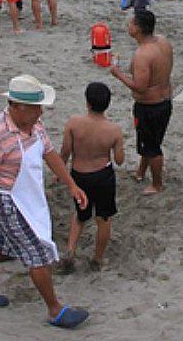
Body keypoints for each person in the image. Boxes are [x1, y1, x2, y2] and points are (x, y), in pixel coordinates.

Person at [0, 75, 91, 329]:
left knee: (0, 243)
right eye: (36, 107)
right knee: (37, 251)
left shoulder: (35, 125)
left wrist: (71, 184)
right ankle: (55, 310)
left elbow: (50, 154)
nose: (41, 111)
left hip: (26, 195)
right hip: (6, 199)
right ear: (17, 107)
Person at [59, 82, 124, 273]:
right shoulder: (114, 130)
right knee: (103, 218)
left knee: (80, 215)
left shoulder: (73, 123)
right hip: (102, 176)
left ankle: (70, 251)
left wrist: (60, 172)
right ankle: (97, 259)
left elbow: (65, 152)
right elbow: (119, 160)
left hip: (79, 174)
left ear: (87, 102)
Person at [109, 10, 174, 196]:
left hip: (150, 106)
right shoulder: (163, 42)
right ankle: (141, 171)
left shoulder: (143, 54)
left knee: (152, 147)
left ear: (138, 28)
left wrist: (118, 74)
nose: (128, 26)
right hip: (164, 100)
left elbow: (140, 87)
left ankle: (157, 184)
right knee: (149, 142)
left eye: (131, 23)